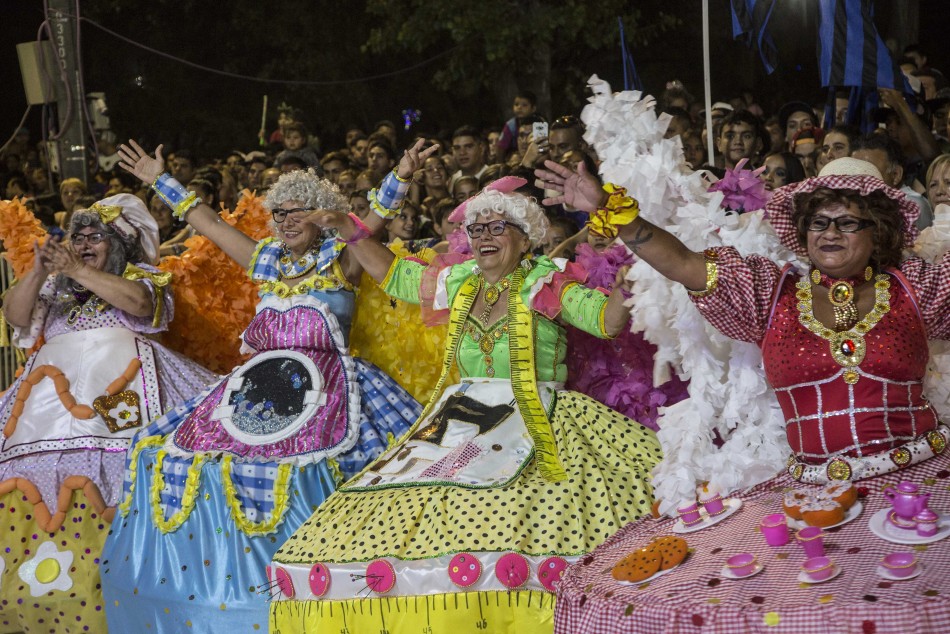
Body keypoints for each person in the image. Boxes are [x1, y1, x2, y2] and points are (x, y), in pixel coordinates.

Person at [535, 156, 950, 632]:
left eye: (848, 221)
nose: (830, 232)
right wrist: (614, 212)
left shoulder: (918, 288)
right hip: (810, 492)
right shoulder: (771, 294)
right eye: (819, 221)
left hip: (922, 477)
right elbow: (686, 264)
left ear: (877, 230)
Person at [266, 176, 663, 631]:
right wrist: (350, 230)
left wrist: (631, 280)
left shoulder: (544, 281)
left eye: (497, 228)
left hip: (541, 417)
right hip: (461, 418)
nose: (485, 238)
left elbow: (604, 320)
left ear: (525, 236)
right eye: (477, 229)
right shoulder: (457, 280)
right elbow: (393, 274)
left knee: (521, 527)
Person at [98, 139, 426, 633]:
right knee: (169, 452)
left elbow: (375, 216)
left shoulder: (344, 255)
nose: (285, 221)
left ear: (320, 214)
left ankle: (323, 588)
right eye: (278, 214)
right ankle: (223, 587)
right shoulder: (266, 258)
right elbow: (206, 221)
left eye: (296, 212)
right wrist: (158, 180)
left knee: (339, 470)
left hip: (334, 388)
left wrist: (401, 174)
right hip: (255, 392)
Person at [0, 194, 216, 633]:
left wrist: (79, 269)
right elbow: (14, 313)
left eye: (93, 237)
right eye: (76, 237)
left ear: (119, 244)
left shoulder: (143, 277)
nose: (82, 244)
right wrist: (41, 268)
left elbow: (139, 305)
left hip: (123, 398)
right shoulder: (56, 287)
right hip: (43, 407)